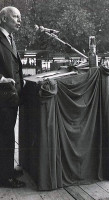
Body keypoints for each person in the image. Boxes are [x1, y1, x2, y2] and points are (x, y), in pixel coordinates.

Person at [0, 6, 25, 188]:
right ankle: (5, 177)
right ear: (3, 19)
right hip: (2, 96)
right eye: (15, 17)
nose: (19, 20)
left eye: (19, 17)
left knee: (7, 135)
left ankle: (7, 169)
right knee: (5, 137)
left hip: (10, 97)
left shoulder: (10, 38)